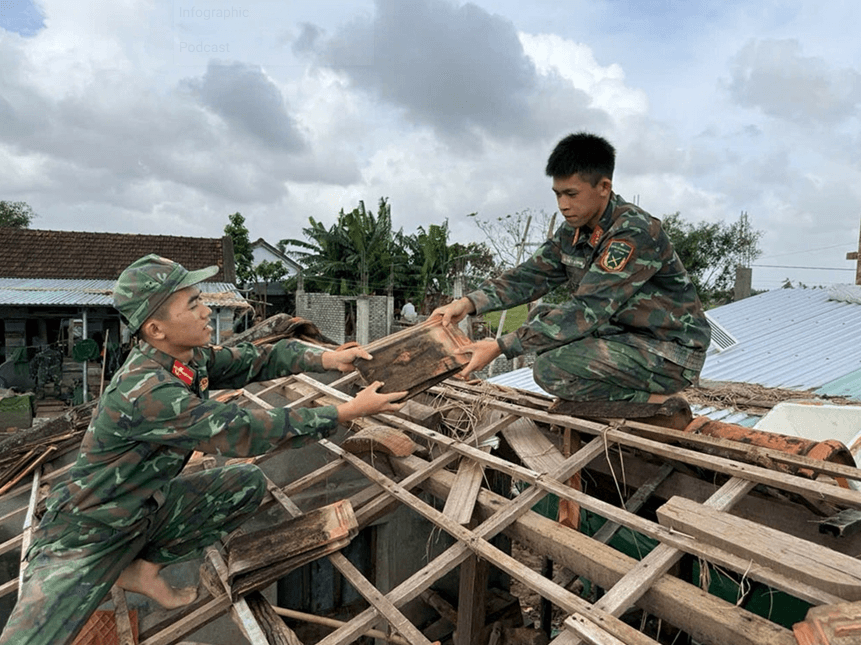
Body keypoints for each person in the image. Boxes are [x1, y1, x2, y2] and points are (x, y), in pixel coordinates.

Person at [0, 254, 406, 645]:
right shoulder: (148, 392)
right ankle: (122, 565)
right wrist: (345, 411)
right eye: (193, 304)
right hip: (89, 532)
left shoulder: (184, 360)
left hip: (143, 508)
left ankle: (141, 568)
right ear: (156, 329)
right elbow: (242, 431)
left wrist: (328, 357)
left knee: (245, 485)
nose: (206, 311)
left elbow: (256, 359)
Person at [433, 132, 711, 412]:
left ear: (604, 187)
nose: (563, 204)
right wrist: (468, 303)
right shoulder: (575, 231)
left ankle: (660, 403)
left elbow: (587, 310)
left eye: (572, 194)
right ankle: (613, 394)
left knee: (550, 368)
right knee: (542, 318)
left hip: (669, 352)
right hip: (624, 336)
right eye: (558, 194)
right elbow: (529, 276)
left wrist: (499, 347)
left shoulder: (633, 232)